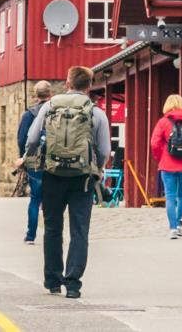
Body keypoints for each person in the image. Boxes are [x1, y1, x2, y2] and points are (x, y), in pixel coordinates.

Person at [24, 67, 110, 299]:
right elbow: (104, 149)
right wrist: (97, 168)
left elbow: (32, 138)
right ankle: (73, 284)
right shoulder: (95, 112)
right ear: (89, 85)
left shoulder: (50, 106)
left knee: (52, 227)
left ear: (67, 82)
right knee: (79, 230)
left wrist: (28, 158)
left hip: (52, 174)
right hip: (82, 177)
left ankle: (53, 280)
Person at [150, 94, 182, 240]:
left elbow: (154, 143)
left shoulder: (163, 122)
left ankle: (172, 229)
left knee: (170, 197)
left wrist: (160, 157)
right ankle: (178, 226)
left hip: (167, 165)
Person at [16, 81, 54, 244]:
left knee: (35, 198)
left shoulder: (29, 114)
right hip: (53, 160)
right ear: (50, 94)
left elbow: (22, 139)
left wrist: (23, 159)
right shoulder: (55, 112)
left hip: (34, 161)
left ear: (35, 94)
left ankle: (31, 235)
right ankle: (52, 234)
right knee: (52, 199)